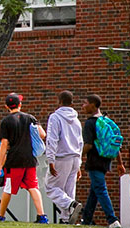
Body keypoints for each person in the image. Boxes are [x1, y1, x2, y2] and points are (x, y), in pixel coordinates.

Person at [0, 93, 48, 224]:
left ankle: (0, 215)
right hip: (29, 159)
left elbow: (4, 144)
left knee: (8, 188)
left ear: (6, 106)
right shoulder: (30, 118)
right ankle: (42, 216)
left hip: (14, 160)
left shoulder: (6, 121)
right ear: (20, 104)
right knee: (33, 187)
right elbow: (42, 134)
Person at [80, 94, 121, 228]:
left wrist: (78, 157)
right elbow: (115, 143)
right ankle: (86, 221)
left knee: (100, 189)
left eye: (85, 103)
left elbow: (89, 145)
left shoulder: (90, 123)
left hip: (94, 161)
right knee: (94, 191)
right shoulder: (106, 120)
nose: (83, 106)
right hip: (106, 161)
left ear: (93, 105)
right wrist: (119, 163)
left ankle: (112, 220)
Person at [47, 90, 84, 224]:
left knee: (51, 187)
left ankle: (71, 205)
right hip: (75, 157)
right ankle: (66, 219)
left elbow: (52, 139)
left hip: (61, 157)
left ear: (59, 101)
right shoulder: (76, 120)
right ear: (72, 103)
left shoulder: (55, 117)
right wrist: (79, 163)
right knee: (69, 189)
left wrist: (50, 160)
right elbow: (80, 142)